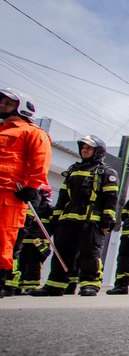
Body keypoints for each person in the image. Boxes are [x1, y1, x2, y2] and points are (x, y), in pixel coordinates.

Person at [31, 135, 118, 296]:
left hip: (91, 220)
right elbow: (63, 196)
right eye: (83, 148)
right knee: (62, 252)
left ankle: (90, 284)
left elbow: (111, 199)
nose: (85, 150)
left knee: (89, 253)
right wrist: (56, 216)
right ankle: (55, 284)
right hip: (68, 218)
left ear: (98, 151)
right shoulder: (73, 170)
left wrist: (107, 219)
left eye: (89, 148)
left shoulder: (105, 172)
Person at [0, 88, 51, 297]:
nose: (2, 105)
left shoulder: (32, 132)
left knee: (4, 238)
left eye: (8, 103)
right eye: (1, 102)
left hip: (10, 195)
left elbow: (40, 160)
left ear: (22, 108)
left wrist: (32, 186)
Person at [16, 185, 54, 293]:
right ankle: (19, 285)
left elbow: (53, 225)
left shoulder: (47, 208)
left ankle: (30, 285)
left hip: (37, 241)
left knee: (32, 264)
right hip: (29, 240)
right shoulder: (29, 205)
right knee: (23, 263)